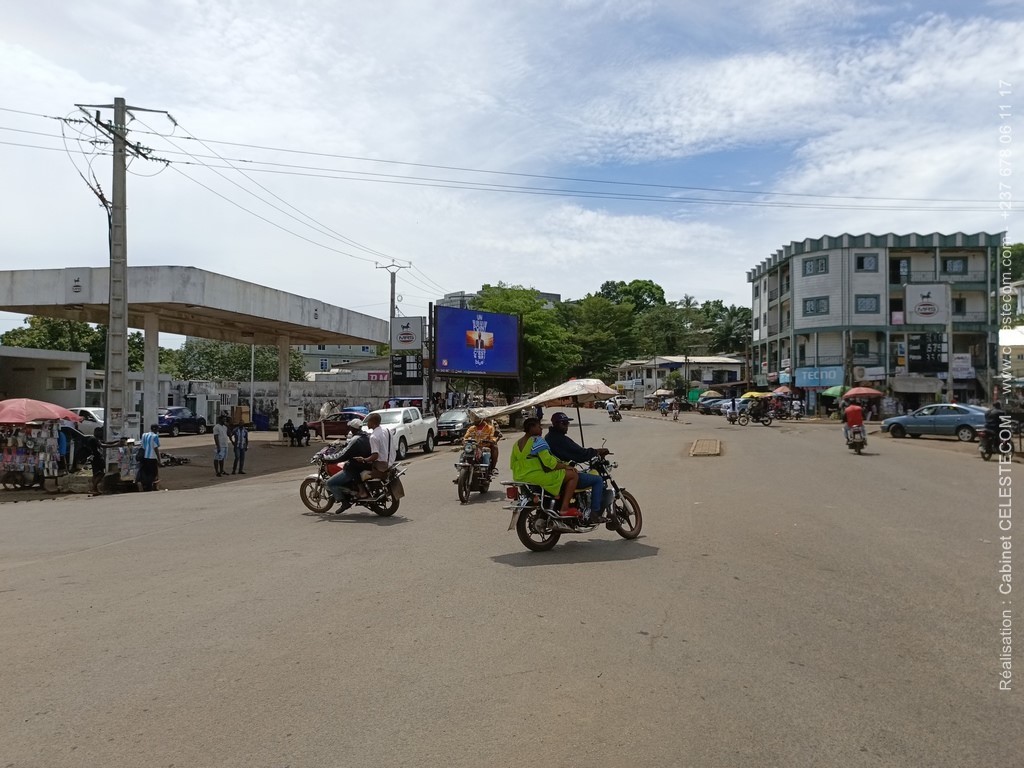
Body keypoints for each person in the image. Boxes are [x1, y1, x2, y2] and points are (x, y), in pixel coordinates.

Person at [544, 412, 609, 522]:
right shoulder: (560, 439)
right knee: (597, 480)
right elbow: (580, 453)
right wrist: (596, 451)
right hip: (561, 473)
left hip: (554, 472)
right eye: (564, 423)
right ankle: (595, 514)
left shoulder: (549, 437)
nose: (566, 426)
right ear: (556, 424)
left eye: (567, 423)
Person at [510, 417, 579, 516]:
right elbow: (549, 462)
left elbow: (512, 464)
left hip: (519, 477)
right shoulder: (537, 441)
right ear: (531, 427)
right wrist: (565, 466)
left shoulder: (516, 444)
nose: (541, 429)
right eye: (539, 426)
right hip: (536, 477)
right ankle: (564, 508)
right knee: (573, 475)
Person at [325, 419, 373, 503]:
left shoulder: (355, 439)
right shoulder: (366, 436)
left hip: (357, 467)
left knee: (330, 483)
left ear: (352, 429)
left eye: (350, 428)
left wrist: (328, 458)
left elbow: (342, 455)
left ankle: (344, 502)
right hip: (367, 464)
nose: (349, 429)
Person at [81, 427, 124, 494]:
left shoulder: (96, 439)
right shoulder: (93, 439)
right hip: (96, 458)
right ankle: (93, 488)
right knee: (101, 473)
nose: (101, 434)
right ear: (97, 432)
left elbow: (106, 442)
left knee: (96, 474)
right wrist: (116, 445)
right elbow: (103, 445)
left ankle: (94, 489)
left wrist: (117, 441)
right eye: (100, 432)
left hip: (95, 458)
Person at [138, 423, 161, 492]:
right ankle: (150, 487)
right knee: (153, 473)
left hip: (144, 457)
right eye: (157, 429)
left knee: (146, 472)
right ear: (155, 429)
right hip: (152, 457)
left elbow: (142, 445)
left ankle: (145, 486)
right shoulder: (155, 436)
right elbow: (156, 448)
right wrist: (159, 459)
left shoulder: (144, 435)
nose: (158, 431)